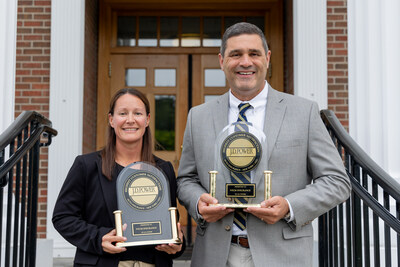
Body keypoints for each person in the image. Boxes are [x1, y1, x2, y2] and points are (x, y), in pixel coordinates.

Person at [176, 22, 351, 266]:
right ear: (221, 61)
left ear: (267, 58)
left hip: (282, 255)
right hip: (215, 255)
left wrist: (289, 206)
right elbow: (186, 179)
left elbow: (337, 181)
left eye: (254, 54)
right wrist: (198, 202)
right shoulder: (199, 116)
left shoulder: (304, 112)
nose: (245, 62)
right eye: (235, 54)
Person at [53, 88, 185, 267]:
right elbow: (63, 217)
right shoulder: (86, 166)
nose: (130, 120)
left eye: (137, 113)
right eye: (123, 113)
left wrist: (177, 243)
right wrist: (98, 238)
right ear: (111, 120)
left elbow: (170, 223)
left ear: (147, 120)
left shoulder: (163, 169)